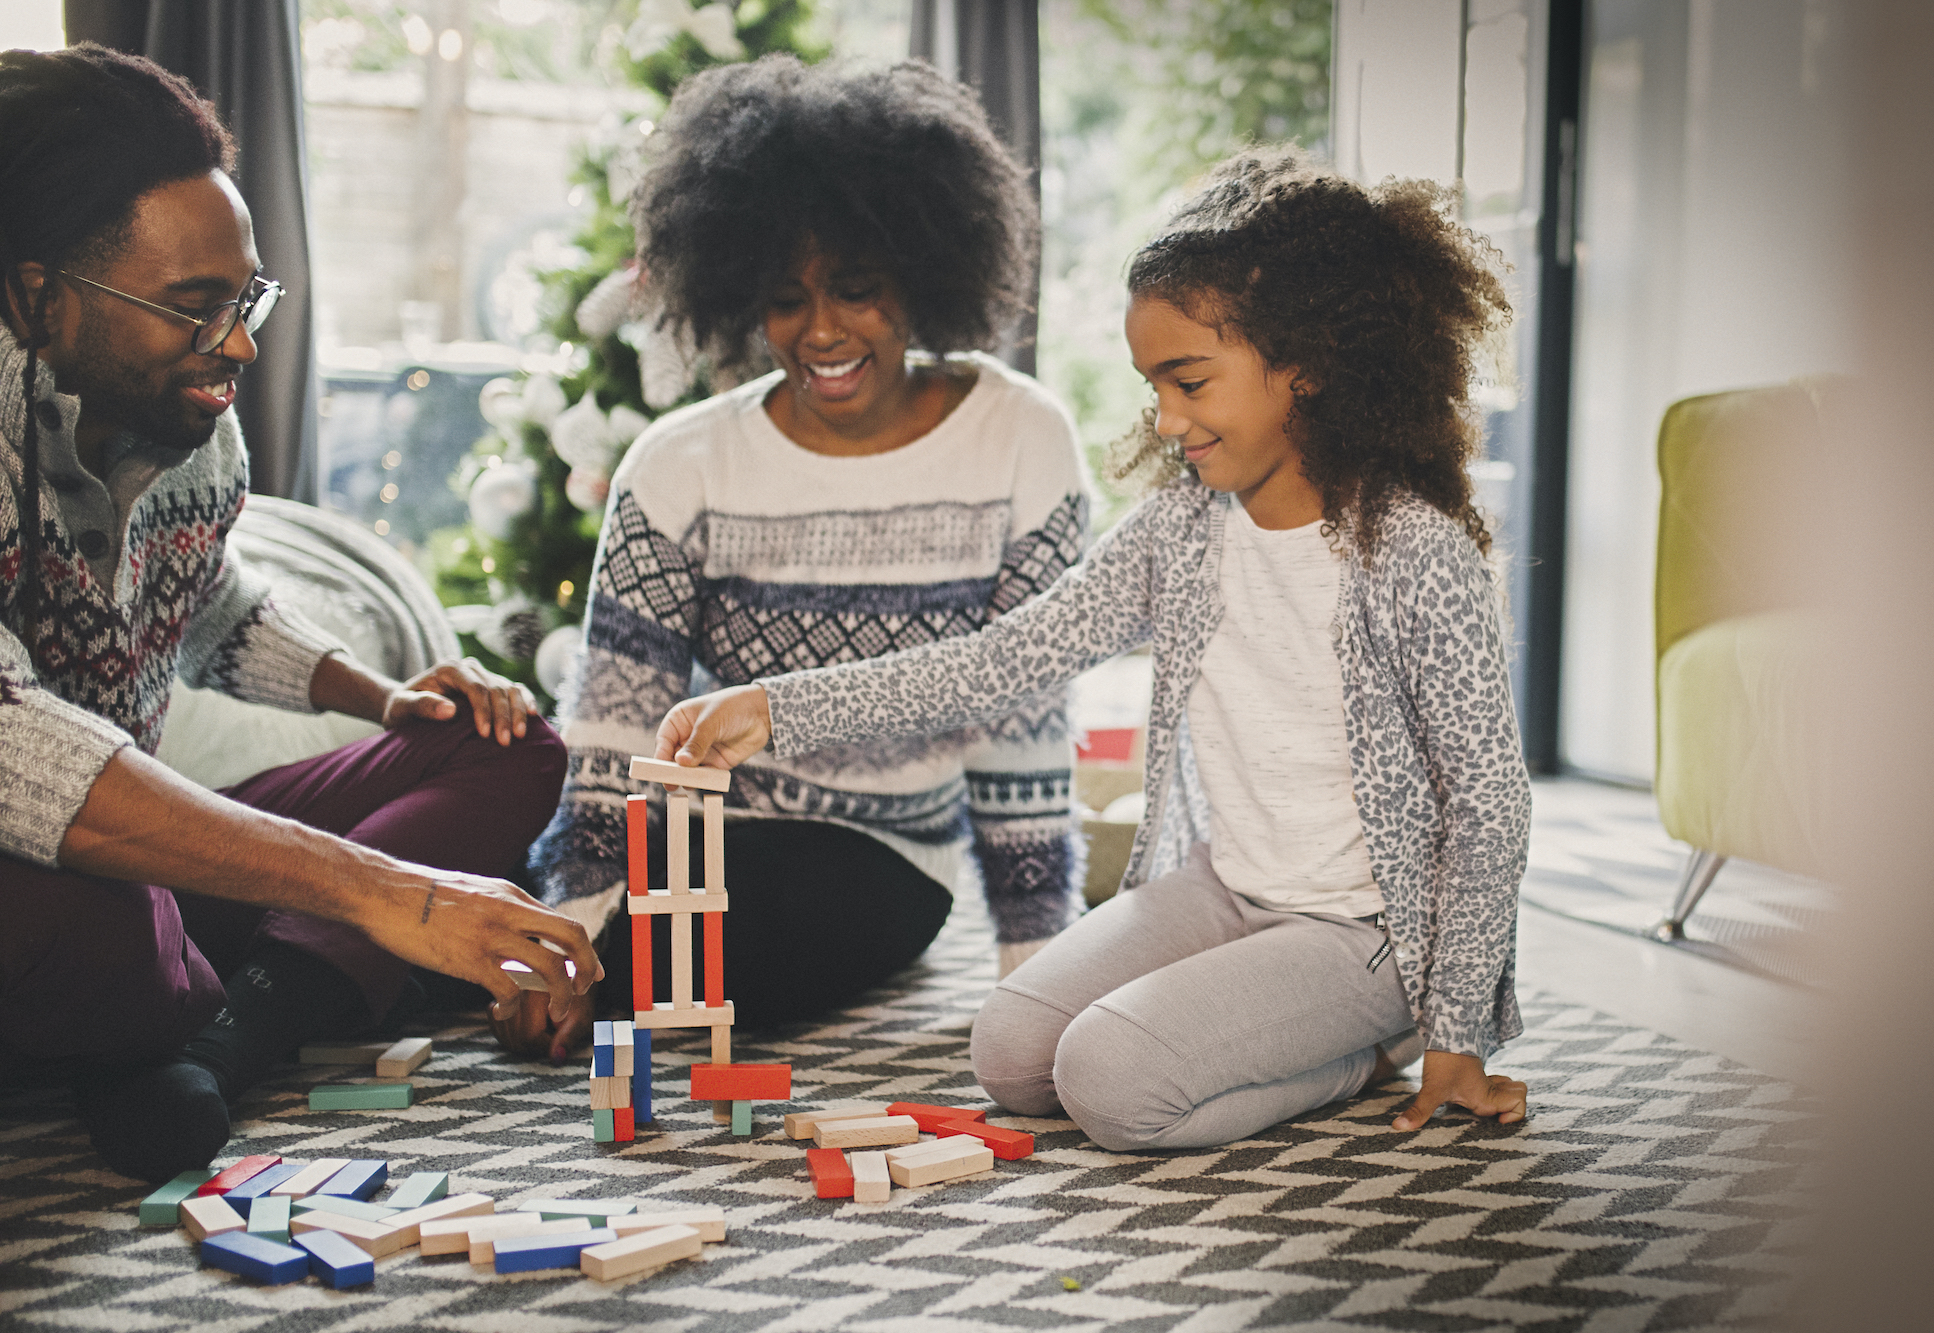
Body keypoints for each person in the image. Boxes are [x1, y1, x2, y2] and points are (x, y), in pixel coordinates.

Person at [657, 151, 1533, 1150]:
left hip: (1369, 935)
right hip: (1224, 889)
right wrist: (779, 705)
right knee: (1013, 1054)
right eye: (1152, 385)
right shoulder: (1183, 527)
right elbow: (1003, 658)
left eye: (1189, 380)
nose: (1165, 420)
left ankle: (1374, 1047)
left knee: (1112, 1084)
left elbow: (1486, 797)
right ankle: (1264, 1031)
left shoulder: (1415, 551)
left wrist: (1458, 1026)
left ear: (1309, 363)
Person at [0, 45, 599, 1182]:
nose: (239, 344)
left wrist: (383, 697)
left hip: (130, 851)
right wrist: (396, 895)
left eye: (244, 299)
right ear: (39, 296)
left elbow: (212, 599)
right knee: (114, 932)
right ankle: (177, 997)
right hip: (42, 867)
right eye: (193, 309)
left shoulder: (191, 417)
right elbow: (17, 753)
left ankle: (223, 1035)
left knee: (504, 746)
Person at [516, 55, 1087, 1058]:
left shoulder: (1021, 437)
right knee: (503, 883)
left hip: (881, 860)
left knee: (728, 930)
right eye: (785, 299)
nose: (821, 330)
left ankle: (561, 976)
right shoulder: (678, 460)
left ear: (923, 275)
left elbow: (1018, 724)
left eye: (858, 290)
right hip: (694, 835)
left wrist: (1033, 963)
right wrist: (567, 928)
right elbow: (611, 734)